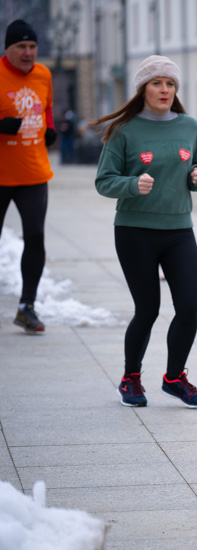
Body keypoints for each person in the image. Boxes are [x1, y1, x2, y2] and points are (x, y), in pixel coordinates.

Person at [92, 55, 197, 409]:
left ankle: (174, 378)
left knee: (188, 307)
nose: (165, 90)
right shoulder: (124, 129)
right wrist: (131, 184)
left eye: (170, 83)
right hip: (135, 231)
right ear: (143, 88)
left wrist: (196, 176)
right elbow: (104, 181)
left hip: (178, 229)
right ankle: (131, 379)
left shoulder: (188, 125)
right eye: (157, 83)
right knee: (148, 309)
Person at [0, 19, 56, 334]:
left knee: (35, 237)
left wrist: (48, 129)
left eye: (32, 46)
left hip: (33, 172)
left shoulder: (44, 75)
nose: (28, 52)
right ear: (7, 48)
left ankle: (27, 306)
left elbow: (45, 107)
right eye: (21, 46)